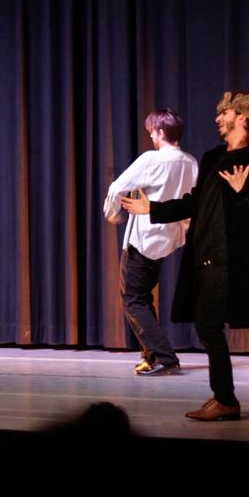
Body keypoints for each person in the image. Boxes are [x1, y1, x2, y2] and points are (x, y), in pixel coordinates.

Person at [122, 91, 249, 421]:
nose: (218, 118)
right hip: (204, 253)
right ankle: (223, 398)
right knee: (207, 327)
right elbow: (193, 203)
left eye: (226, 113)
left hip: (231, 257)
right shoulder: (212, 157)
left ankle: (226, 400)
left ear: (244, 119)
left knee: (209, 327)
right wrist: (153, 208)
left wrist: (241, 193)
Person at [102, 109, 198, 376]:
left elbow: (116, 187)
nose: (151, 137)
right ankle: (152, 355)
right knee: (142, 298)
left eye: (152, 132)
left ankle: (165, 357)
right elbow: (192, 203)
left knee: (132, 299)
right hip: (166, 240)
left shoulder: (153, 159)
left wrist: (112, 214)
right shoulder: (190, 162)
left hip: (142, 240)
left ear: (161, 132)